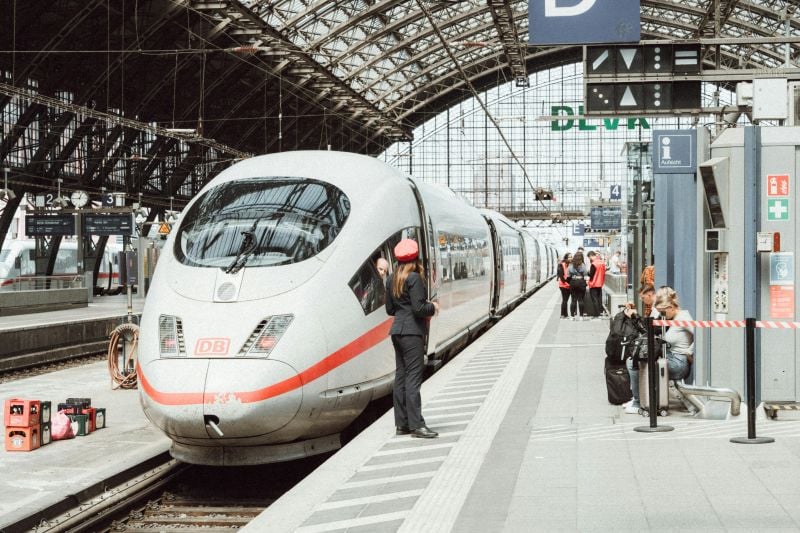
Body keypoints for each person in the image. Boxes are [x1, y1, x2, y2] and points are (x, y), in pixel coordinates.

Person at [385, 238, 440, 438]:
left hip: (397, 332)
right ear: (415, 258)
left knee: (401, 376)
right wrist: (432, 306)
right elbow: (418, 309)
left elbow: (390, 309)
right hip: (412, 333)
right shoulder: (414, 278)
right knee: (413, 378)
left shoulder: (391, 279)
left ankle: (402, 424)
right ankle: (417, 425)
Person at [621, 284, 657, 414]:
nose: (642, 300)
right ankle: (636, 398)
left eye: (643, 298)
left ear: (649, 295)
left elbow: (648, 330)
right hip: (655, 345)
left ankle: (637, 401)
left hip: (657, 348)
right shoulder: (653, 307)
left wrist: (635, 317)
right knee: (631, 359)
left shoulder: (657, 309)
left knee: (633, 363)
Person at [654, 286, 693, 383]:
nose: (662, 315)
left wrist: (689, 352)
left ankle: (641, 398)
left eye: (662, 312)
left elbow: (701, 336)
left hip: (678, 362)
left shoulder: (683, 317)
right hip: (670, 357)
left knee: (646, 364)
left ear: (671, 308)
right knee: (637, 361)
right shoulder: (672, 319)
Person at [568, 251, 588, 319]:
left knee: (573, 300)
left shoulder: (571, 265)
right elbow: (585, 275)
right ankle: (581, 316)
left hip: (573, 282)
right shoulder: (583, 265)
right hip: (581, 282)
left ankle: (572, 316)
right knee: (581, 300)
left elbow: (568, 275)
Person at [587, 251, 606, 318]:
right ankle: (600, 312)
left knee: (594, 299)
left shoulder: (594, 264)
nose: (590, 259)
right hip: (600, 283)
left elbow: (591, 275)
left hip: (594, 283)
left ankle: (597, 314)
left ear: (591, 256)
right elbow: (604, 273)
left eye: (589, 257)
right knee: (599, 299)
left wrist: (588, 273)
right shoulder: (602, 262)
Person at [556, 252, 572, 318]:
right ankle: (563, 314)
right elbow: (561, 276)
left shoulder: (571, 265)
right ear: (566, 258)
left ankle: (565, 314)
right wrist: (566, 283)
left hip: (569, 285)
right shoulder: (561, 265)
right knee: (565, 300)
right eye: (569, 257)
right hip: (563, 285)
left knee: (566, 300)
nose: (571, 258)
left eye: (571, 257)